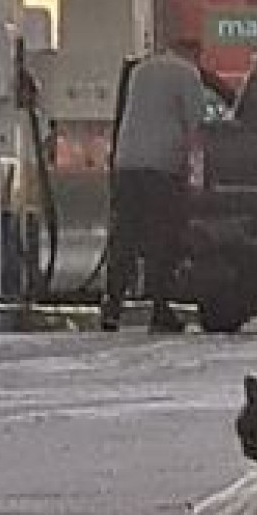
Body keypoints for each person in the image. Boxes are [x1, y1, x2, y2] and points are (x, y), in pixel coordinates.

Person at [103, 44, 207, 333]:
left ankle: (112, 307)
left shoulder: (141, 70)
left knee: (124, 236)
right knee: (161, 239)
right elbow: (198, 123)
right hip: (161, 166)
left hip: (126, 162)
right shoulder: (187, 73)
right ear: (193, 53)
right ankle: (160, 309)